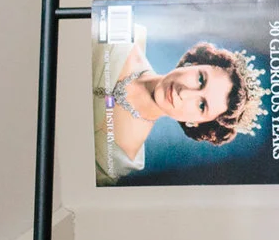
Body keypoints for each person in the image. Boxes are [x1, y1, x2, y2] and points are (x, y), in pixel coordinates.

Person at [94, 25, 265, 183]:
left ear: (197, 123)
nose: (184, 93)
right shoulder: (124, 35)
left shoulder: (121, 159)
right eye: (200, 79)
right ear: (195, 63)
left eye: (201, 105)